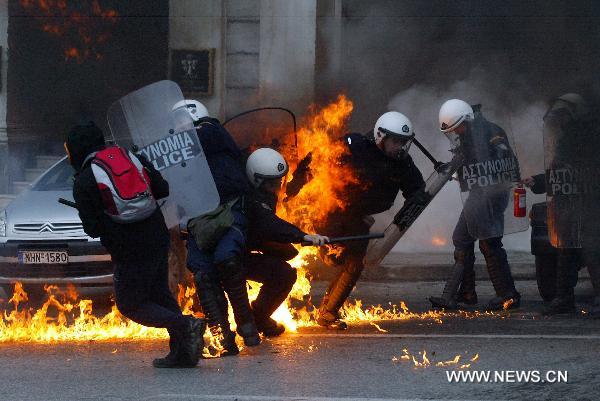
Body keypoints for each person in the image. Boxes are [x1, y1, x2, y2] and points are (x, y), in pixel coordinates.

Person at [66, 122, 205, 368]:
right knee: (160, 295)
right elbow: (162, 189)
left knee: (131, 304)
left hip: (128, 248)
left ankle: (186, 325)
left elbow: (92, 228)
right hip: (156, 235)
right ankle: (183, 352)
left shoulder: (85, 178)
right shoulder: (131, 157)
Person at [297, 111, 427, 329]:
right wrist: (295, 184)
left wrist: (412, 205)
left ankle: (328, 313)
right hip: (332, 211)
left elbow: (415, 188)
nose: (400, 147)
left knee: (355, 263)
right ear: (380, 136)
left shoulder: (402, 162)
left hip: (358, 216)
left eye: (404, 142)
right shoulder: (354, 146)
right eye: (396, 141)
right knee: (336, 257)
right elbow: (316, 158)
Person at [173, 99, 259, 355]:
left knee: (227, 258)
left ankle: (246, 323)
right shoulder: (181, 156)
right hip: (201, 219)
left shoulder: (212, 132)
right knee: (202, 272)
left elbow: (199, 139)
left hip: (230, 210)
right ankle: (224, 337)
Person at [429, 99, 521, 311]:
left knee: (488, 242)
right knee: (468, 238)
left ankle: (506, 294)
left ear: (467, 120)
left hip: (491, 195)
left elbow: (503, 158)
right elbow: (469, 161)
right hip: (480, 195)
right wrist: (453, 166)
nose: (457, 133)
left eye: (457, 128)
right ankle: (468, 293)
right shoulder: (470, 135)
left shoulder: (490, 132)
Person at [522, 93, 600, 316]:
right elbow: (560, 174)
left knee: (592, 252)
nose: (560, 121)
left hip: (587, 206)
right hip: (567, 207)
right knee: (565, 251)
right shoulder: (565, 140)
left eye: (564, 116)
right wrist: (537, 181)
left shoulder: (590, 140)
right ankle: (563, 298)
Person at [245, 148, 329, 336]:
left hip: (246, 245)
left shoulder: (263, 193)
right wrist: (302, 236)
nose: (277, 186)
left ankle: (258, 316)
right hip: (231, 255)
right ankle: (256, 319)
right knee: (283, 274)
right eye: (272, 183)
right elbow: (267, 222)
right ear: (256, 179)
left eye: (279, 181)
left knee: (288, 257)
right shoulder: (248, 198)